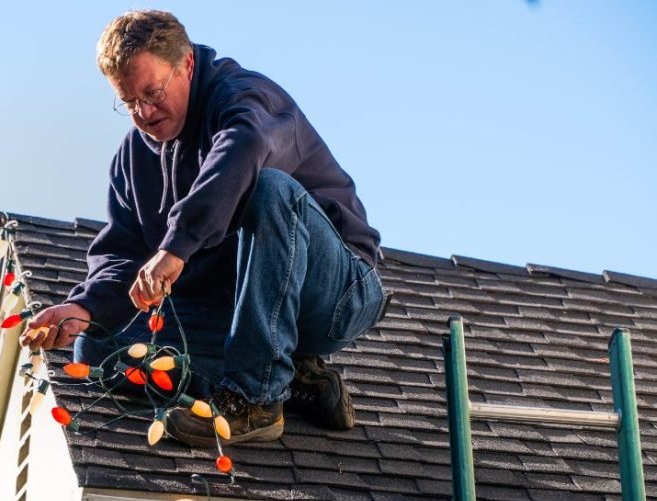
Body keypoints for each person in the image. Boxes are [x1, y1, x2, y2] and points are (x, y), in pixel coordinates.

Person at [20, 10, 389, 448]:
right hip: (241, 310)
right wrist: (85, 308)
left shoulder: (245, 99)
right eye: (129, 101)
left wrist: (177, 245)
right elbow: (123, 254)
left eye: (153, 93)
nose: (144, 112)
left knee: (269, 188)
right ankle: (291, 381)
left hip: (336, 291)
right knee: (99, 351)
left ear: (187, 65)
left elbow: (244, 148)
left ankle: (257, 399)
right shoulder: (131, 159)